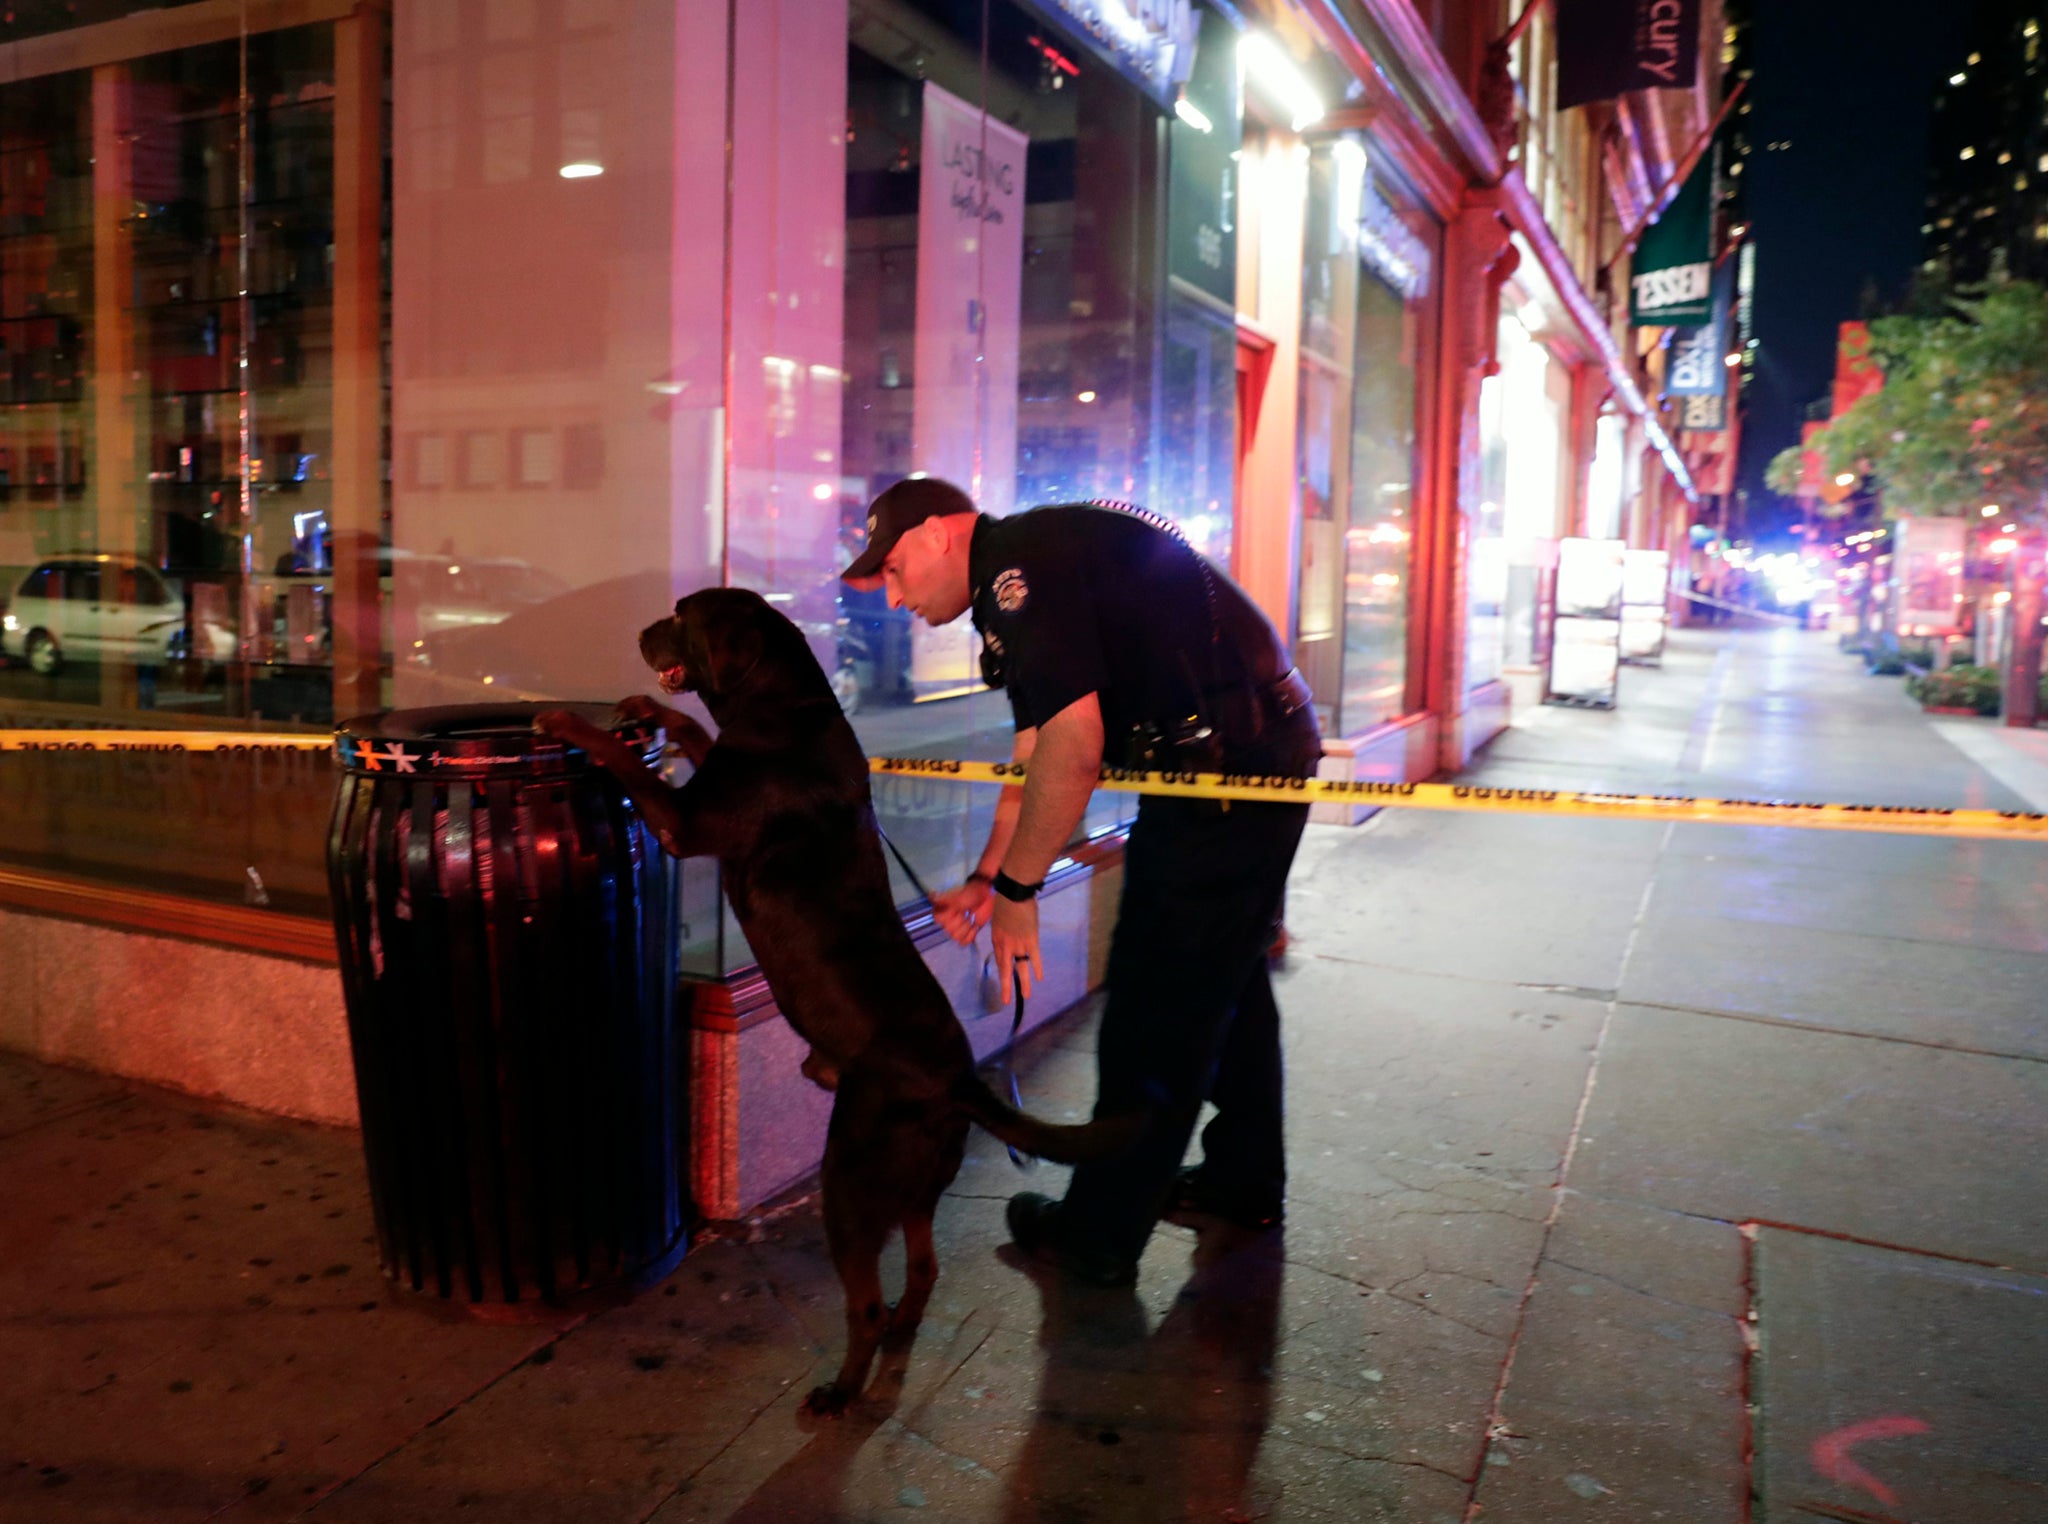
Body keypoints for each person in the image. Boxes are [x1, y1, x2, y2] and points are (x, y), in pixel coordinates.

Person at [842, 476, 1322, 1287]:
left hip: (1229, 776)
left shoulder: (1016, 572)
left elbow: (1075, 744)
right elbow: (1035, 747)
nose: (893, 599)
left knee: (1153, 1000)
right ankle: (1243, 1182)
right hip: (1238, 763)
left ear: (937, 533)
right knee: (1223, 977)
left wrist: (1020, 896)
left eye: (892, 570)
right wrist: (994, 873)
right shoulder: (1021, 569)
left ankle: (1096, 1239)